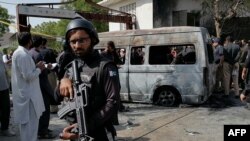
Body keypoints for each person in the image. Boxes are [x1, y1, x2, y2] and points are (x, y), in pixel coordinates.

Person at [59, 18, 120, 141]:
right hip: (75, 130)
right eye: (73, 41)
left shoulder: (105, 66)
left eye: (82, 40)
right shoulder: (71, 67)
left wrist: (84, 127)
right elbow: (56, 98)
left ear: (92, 39)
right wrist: (63, 80)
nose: (77, 45)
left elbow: (112, 102)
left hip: (98, 132)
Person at [11, 32, 45, 141]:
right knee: (30, 128)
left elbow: (24, 72)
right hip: (28, 97)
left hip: (27, 95)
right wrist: (40, 69)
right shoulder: (23, 55)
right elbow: (28, 76)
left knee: (28, 127)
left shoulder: (20, 53)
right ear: (29, 41)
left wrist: (35, 66)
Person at [29, 35, 56, 139]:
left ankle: (41, 128)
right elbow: (42, 71)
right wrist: (48, 68)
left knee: (39, 108)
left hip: (35, 84)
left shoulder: (29, 53)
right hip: (42, 83)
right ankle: (43, 131)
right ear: (41, 43)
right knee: (45, 108)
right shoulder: (38, 54)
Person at [0, 52, 15, 137]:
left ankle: (5, 128)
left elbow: (5, 69)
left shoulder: (1, 54)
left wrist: (8, 81)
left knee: (6, 108)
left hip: (4, 86)